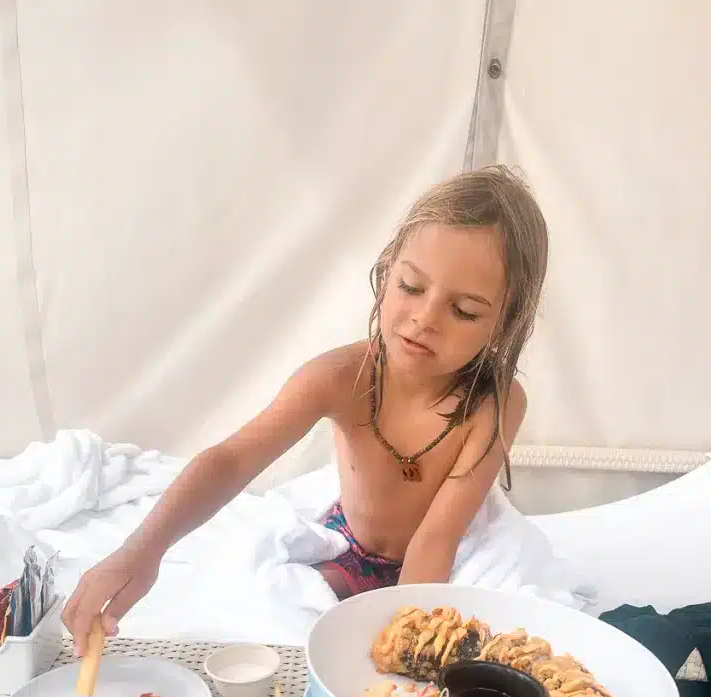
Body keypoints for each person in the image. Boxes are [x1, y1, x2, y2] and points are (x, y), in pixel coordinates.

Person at [62, 165, 549, 654]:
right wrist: (140, 551)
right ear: (386, 271)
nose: (425, 319)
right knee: (278, 625)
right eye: (411, 287)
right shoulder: (338, 377)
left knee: (482, 648)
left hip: (445, 554)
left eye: (464, 311)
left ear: (503, 325)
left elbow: (437, 538)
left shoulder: (497, 401)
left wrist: (405, 649)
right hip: (355, 547)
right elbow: (231, 460)